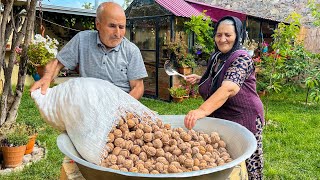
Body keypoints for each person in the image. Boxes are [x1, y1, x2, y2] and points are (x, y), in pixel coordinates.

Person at [184, 16, 264, 179]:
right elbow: (220, 78)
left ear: (238, 36)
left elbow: (228, 88)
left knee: (247, 163)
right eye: (219, 35)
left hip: (245, 117)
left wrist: (201, 111)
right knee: (224, 158)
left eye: (228, 35)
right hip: (224, 116)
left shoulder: (242, 59)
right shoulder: (217, 57)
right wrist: (201, 79)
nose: (222, 39)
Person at [30, 2, 148, 100]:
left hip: (119, 105)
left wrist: (122, 107)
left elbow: (138, 87)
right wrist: (46, 78)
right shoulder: (82, 40)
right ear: (98, 24)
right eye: (112, 26)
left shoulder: (132, 51)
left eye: (121, 27)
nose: (117, 33)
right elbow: (58, 63)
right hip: (87, 104)